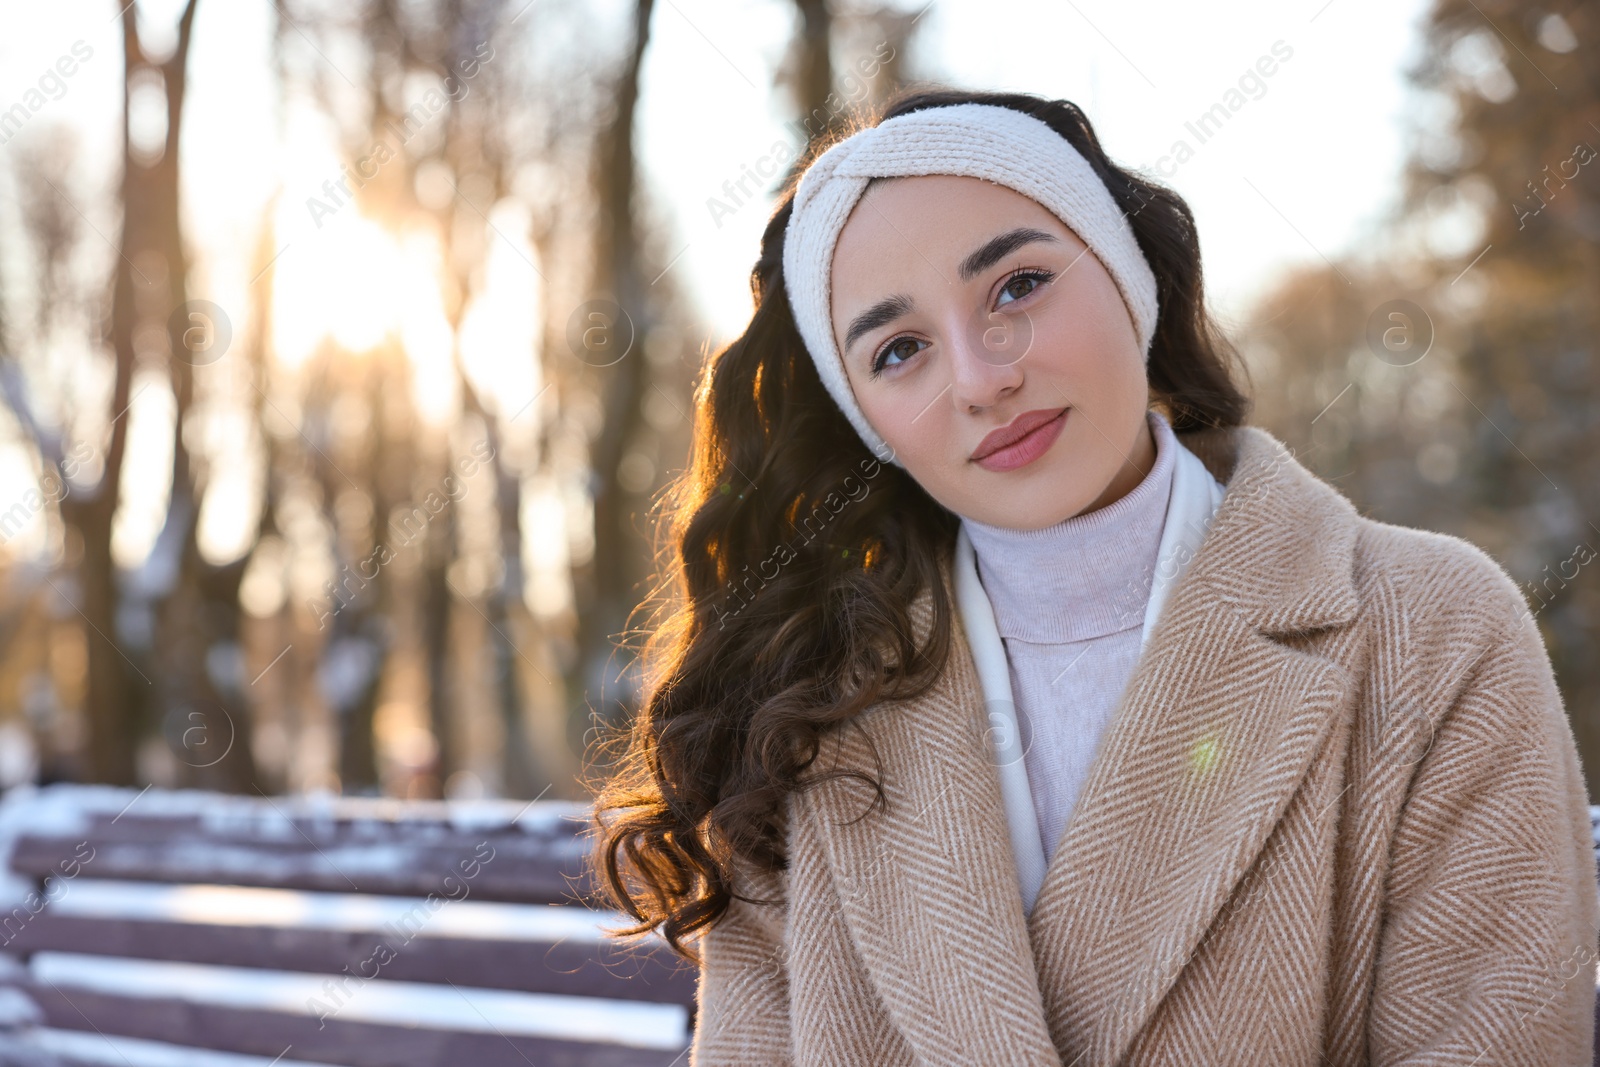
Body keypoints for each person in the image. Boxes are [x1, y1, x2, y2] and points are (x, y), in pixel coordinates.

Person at [585, 89, 1600, 1065]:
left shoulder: (1431, 630)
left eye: (1018, 285)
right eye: (899, 350)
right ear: (866, 426)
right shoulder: (801, 707)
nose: (983, 378)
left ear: (1126, 276)